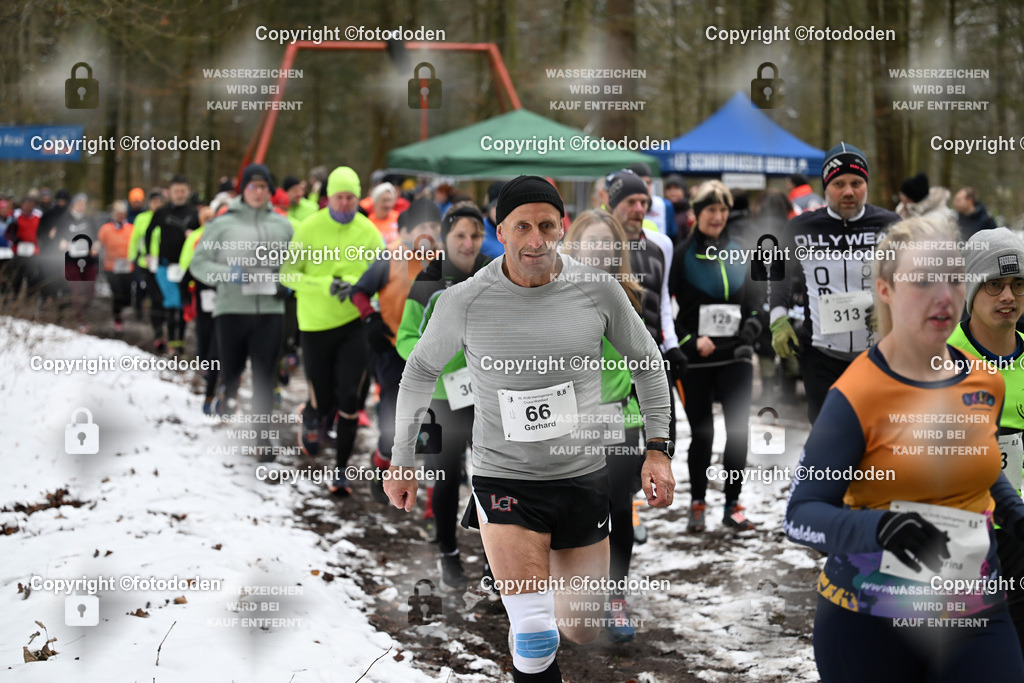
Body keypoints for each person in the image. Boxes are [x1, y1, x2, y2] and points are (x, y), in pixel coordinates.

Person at [384, 175, 673, 683]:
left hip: (583, 477)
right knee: (537, 633)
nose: (535, 239)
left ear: (562, 228)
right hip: (504, 480)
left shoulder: (599, 290)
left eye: (546, 225)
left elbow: (648, 363)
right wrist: (403, 456)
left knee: (580, 627)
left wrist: (656, 449)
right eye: (522, 227)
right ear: (502, 231)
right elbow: (420, 371)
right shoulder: (465, 300)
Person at [785, 216, 1024, 682]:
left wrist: (1014, 512)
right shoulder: (857, 393)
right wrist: (882, 528)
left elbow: (979, 462)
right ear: (887, 291)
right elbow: (801, 516)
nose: (942, 296)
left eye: (953, 280)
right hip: (872, 617)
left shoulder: (983, 380)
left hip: (973, 608)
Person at [560, 209, 647, 642]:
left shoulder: (629, 297)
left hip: (617, 422)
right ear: (575, 245)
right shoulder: (553, 292)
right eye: (592, 242)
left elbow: (643, 370)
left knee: (619, 514)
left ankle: (615, 599)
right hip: (566, 422)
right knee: (571, 510)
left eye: (608, 244)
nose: (601, 251)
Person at [394, 203, 491, 589]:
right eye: (459, 236)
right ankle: (448, 552)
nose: (468, 244)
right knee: (446, 477)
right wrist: (450, 361)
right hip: (440, 400)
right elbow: (405, 340)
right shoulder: (429, 280)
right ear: (445, 239)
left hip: (486, 398)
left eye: (476, 236)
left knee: (491, 478)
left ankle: (495, 558)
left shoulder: (495, 274)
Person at [770, 141, 900, 423]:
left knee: (874, 440)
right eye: (839, 183)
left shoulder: (891, 225)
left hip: (876, 354)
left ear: (867, 184)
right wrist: (778, 321)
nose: (849, 191)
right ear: (826, 187)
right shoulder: (800, 227)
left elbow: (912, 280)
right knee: (827, 441)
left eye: (857, 182)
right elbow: (777, 274)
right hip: (819, 356)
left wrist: (893, 311)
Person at [279, 166, 383, 491]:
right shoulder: (310, 228)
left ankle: (341, 472)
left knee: (350, 399)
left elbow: (383, 280)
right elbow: (287, 275)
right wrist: (324, 284)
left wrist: (356, 286)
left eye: (351, 197)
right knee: (324, 401)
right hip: (314, 324)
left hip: (354, 325)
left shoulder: (369, 233)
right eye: (340, 196)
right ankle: (311, 414)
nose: (345, 203)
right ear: (329, 197)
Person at [947, 227, 1024, 654]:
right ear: (971, 290)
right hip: (967, 535)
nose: (1008, 296)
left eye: (1017, 284)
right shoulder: (942, 361)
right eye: (994, 284)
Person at [669, 181, 761, 532]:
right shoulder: (681, 254)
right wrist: (690, 341)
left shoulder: (741, 250)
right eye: (711, 210)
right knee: (703, 434)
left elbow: (756, 306)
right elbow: (666, 310)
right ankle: (697, 503)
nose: (718, 216)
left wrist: (750, 332)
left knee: (738, 432)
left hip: (735, 356)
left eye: (723, 210)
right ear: (696, 213)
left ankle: (733, 503)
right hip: (698, 360)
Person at [190, 164, 293, 461]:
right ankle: (227, 391)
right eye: (252, 186)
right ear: (243, 190)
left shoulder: (283, 225)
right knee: (231, 368)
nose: (258, 192)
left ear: (270, 191)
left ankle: (262, 440)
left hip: (270, 311)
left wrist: (286, 284)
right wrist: (228, 274)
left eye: (263, 187)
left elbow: (296, 265)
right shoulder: (223, 224)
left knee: (264, 375)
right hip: (232, 309)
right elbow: (199, 264)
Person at [349, 198, 442, 496]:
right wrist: (370, 319)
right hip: (391, 351)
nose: (429, 232)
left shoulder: (445, 262)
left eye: (434, 226)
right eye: (422, 227)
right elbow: (359, 291)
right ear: (405, 231)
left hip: (431, 354)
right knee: (394, 424)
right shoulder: (390, 257)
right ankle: (381, 464)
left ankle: (432, 497)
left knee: (430, 426)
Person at [606, 171, 687, 443]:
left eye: (644, 202)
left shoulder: (662, 245)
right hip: (611, 365)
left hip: (653, 358)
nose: (639, 209)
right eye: (630, 202)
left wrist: (673, 346)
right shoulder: (596, 248)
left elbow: (662, 299)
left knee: (663, 441)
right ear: (612, 206)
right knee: (621, 453)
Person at [180, 193, 231, 415]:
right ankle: (210, 390)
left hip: (230, 303)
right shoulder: (203, 239)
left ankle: (220, 392)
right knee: (207, 340)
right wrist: (185, 296)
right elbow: (190, 269)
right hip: (205, 298)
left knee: (223, 347)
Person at [145, 176, 199, 353]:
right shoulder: (162, 212)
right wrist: (147, 253)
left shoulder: (193, 212)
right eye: (177, 191)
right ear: (170, 192)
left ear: (188, 192)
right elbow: (149, 232)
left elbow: (203, 233)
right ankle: (171, 342)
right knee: (170, 303)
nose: (180, 194)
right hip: (165, 265)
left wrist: (194, 235)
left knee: (183, 303)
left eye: (183, 191)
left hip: (186, 266)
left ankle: (180, 343)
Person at [95, 200, 135, 333]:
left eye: (122, 213)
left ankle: (123, 310)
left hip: (127, 266)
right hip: (111, 266)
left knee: (127, 295)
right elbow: (98, 243)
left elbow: (137, 244)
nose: (120, 216)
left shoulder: (131, 229)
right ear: (113, 214)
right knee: (117, 293)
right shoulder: (106, 229)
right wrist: (94, 250)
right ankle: (118, 320)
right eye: (117, 213)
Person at [127, 189, 164, 325]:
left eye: (159, 202)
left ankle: (158, 315)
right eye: (154, 202)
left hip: (161, 261)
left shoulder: (166, 217)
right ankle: (139, 310)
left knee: (158, 291)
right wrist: (131, 256)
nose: (157, 205)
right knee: (141, 287)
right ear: (149, 203)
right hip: (144, 260)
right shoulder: (142, 218)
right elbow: (135, 238)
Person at [628, 162, 676, 242]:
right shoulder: (624, 205)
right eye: (641, 182)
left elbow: (673, 236)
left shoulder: (665, 205)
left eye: (648, 183)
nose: (645, 187)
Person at [481, 181, 507, 259]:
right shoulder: (478, 231)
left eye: (506, 206)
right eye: (496, 206)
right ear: (489, 208)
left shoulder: (515, 229)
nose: (502, 211)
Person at [663, 174, 692, 240]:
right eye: (669, 188)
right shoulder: (661, 211)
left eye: (676, 187)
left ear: (683, 191)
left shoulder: (690, 213)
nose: (672, 191)